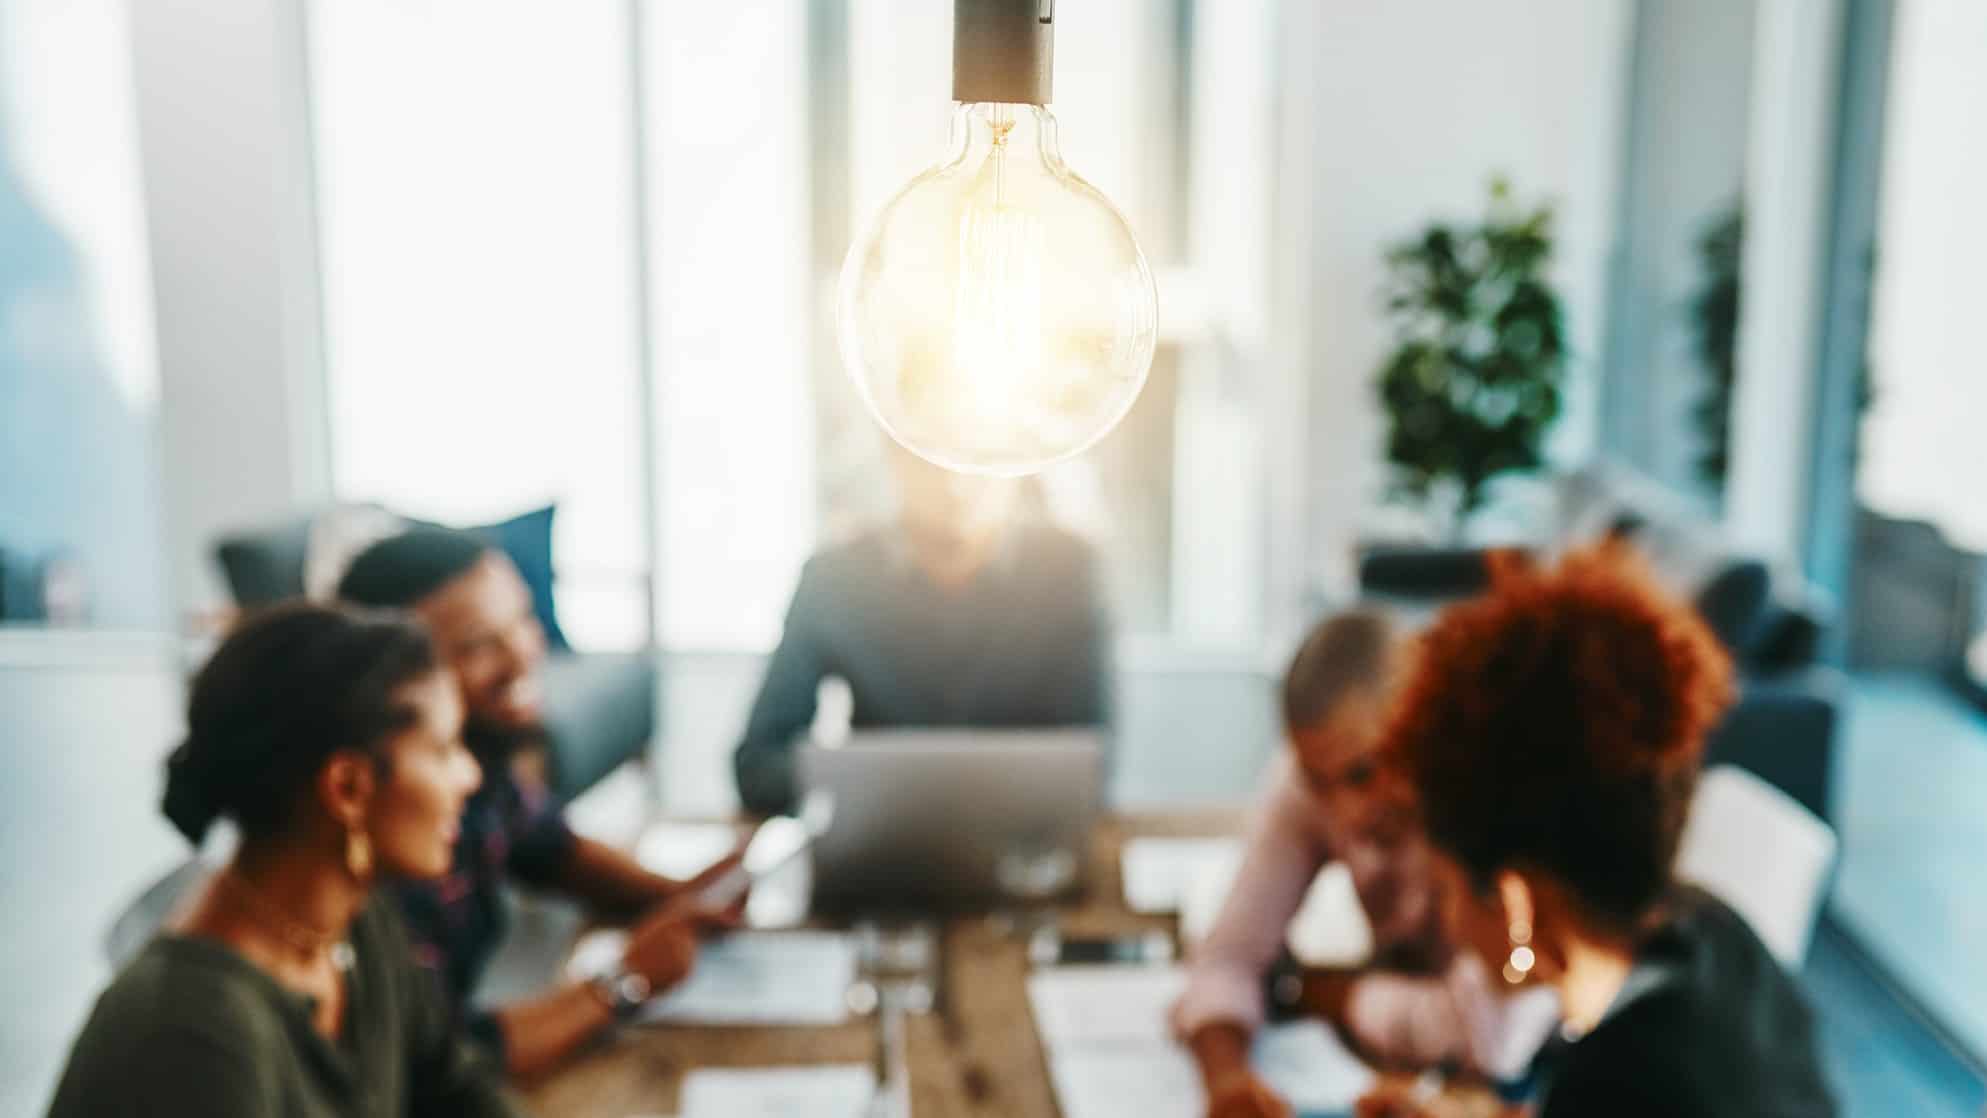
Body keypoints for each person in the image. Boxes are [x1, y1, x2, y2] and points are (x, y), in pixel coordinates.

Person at [1362, 545, 1836, 1117]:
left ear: (1516, 897)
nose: (1450, 924)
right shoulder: (1717, 936)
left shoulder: (1618, 1084)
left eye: (1446, 886)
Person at [47, 603, 544, 1116]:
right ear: (348, 788)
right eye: (443, 750)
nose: (470, 776)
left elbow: (459, 1092)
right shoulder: (191, 1036)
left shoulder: (357, 926)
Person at [337, 528, 735, 1079]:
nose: (524, 651)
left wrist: (681, 896)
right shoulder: (383, 844)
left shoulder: (482, 763)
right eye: (478, 643)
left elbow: (552, 849)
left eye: (521, 619)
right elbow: (429, 1066)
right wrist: (621, 983)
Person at [1173, 611, 1558, 1118]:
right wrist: (1227, 1081)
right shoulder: (1322, 766)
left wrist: (1335, 997)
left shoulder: (1485, 782)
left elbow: (1492, 1036)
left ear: (1420, 721)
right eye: (1317, 782)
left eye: (1362, 773)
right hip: (1416, 1078)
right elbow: (1226, 958)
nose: (1345, 813)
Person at [733, 443, 1111, 816]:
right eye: (933, 456)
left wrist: (877, 783)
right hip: (874, 857)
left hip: (1028, 861)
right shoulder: (833, 579)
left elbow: (1092, 768)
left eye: (978, 453)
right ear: (894, 452)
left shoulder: (1069, 573)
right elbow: (758, 766)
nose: (956, 483)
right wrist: (857, 789)